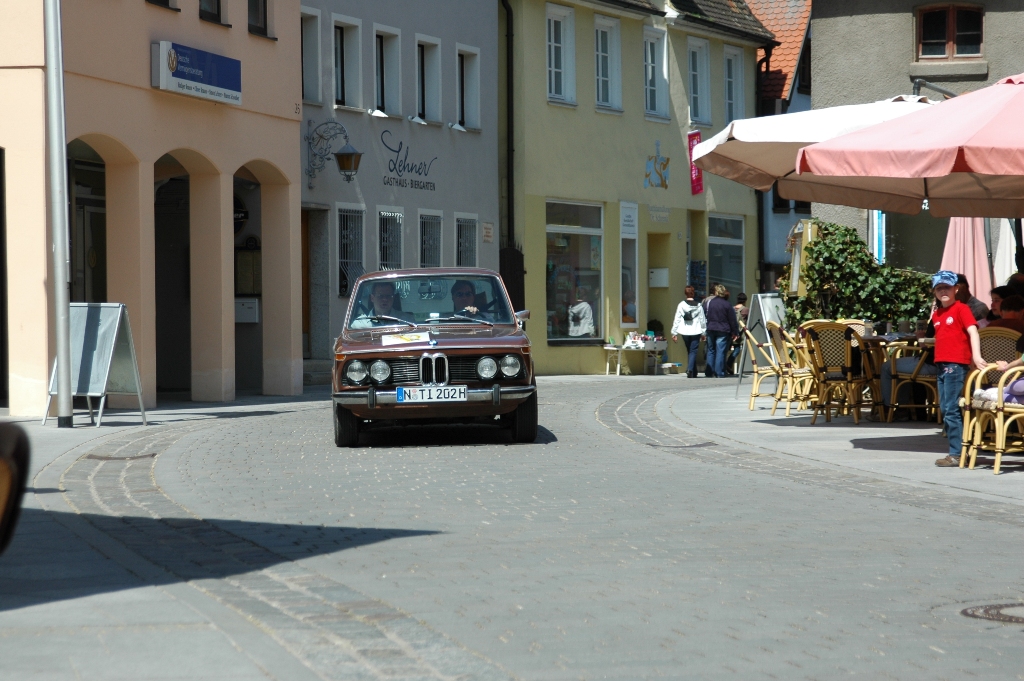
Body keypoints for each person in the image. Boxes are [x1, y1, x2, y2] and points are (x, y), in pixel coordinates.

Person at [931, 270, 990, 467]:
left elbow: (973, 331)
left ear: (956, 289)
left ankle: (957, 453)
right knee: (945, 408)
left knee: (951, 409)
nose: (943, 291)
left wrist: (976, 356)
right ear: (934, 292)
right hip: (942, 364)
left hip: (955, 365)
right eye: (939, 288)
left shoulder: (961, 308)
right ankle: (961, 449)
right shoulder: (937, 314)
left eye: (947, 287)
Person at [703, 284, 738, 378]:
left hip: (710, 328)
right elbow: (732, 319)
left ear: (716, 292)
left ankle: (709, 372)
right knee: (720, 351)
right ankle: (719, 372)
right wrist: (735, 331)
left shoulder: (709, 303)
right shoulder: (727, 304)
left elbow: (704, 314)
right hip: (723, 329)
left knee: (711, 350)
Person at [671, 286, 707, 378]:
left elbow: (677, 319)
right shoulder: (699, 306)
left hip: (684, 331)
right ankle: (690, 369)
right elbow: (702, 320)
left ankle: (693, 371)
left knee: (690, 351)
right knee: (693, 351)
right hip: (696, 330)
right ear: (693, 293)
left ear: (685, 293)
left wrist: (674, 332)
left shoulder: (681, 305)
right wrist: (703, 332)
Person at [349, 280, 415, 328]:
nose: (385, 299)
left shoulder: (407, 322)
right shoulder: (359, 325)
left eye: (388, 296)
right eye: (380, 296)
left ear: (393, 298)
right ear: (372, 298)